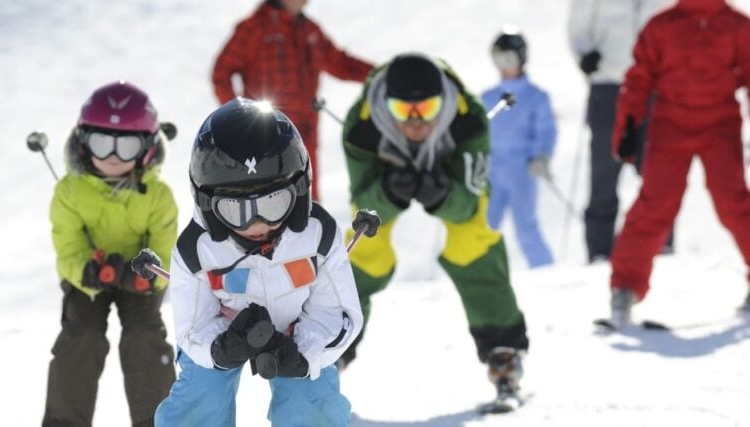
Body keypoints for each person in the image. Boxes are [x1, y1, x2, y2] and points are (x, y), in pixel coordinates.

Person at [153, 98, 363, 426]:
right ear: (209, 205)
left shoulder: (318, 236)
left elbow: (337, 312)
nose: (257, 223)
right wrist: (221, 348)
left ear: (298, 192)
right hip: (224, 335)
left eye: (274, 203)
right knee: (199, 398)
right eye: (235, 209)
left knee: (310, 404)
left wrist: (305, 355)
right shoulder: (197, 250)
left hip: (298, 333)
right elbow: (192, 326)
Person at [339, 53, 529, 402]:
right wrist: (387, 192)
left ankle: (503, 347)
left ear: (442, 102)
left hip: (449, 161)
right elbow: (362, 200)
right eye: (403, 111)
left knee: (471, 237)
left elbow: (471, 201)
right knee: (366, 247)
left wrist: (444, 194)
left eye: (426, 109)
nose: (415, 123)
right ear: (386, 105)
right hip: (385, 165)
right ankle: (332, 342)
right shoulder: (361, 128)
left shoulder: (468, 120)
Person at [42, 81, 178, 427]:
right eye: (102, 144)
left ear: (147, 148)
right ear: (84, 142)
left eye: (126, 146)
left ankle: (157, 420)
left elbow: (163, 246)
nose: (113, 157)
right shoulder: (70, 191)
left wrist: (146, 273)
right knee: (81, 335)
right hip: (90, 276)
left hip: (140, 277)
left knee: (144, 336)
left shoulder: (158, 195)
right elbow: (68, 246)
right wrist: (88, 269)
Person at [607, 0, 750, 325]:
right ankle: (625, 287)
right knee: (656, 204)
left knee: (734, 202)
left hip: (720, 123)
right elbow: (639, 77)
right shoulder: (664, 25)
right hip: (670, 123)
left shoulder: (735, 25)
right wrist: (628, 124)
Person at [211, 0, 373, 201]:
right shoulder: (254, 27)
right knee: (268, 203)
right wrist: (238, 116)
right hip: (265, 135)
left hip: (306, 135)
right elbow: (221, 72)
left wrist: (381, 75)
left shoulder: (309, 30)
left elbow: (341, 63)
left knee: (308, 202)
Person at [568, 0, 672, 263]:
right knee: (604, 174)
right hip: (609, 85)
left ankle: (661, 247)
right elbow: (578, 25)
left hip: (655, 87)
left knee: (658, 174)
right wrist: (584, 55)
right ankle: (600, 253)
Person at [481, 28, 558, 268]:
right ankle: (481, 269)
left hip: (521, 169)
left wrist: (542, 157)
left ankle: (544, 268)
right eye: (499, 60)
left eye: (509, 59)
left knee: (525, 223)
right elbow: (477, 131)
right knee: (485, 223)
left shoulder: (536, 97)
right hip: (492, 170)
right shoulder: (488, 97)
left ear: (521, 59)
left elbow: (546, 131)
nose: (504, 66)